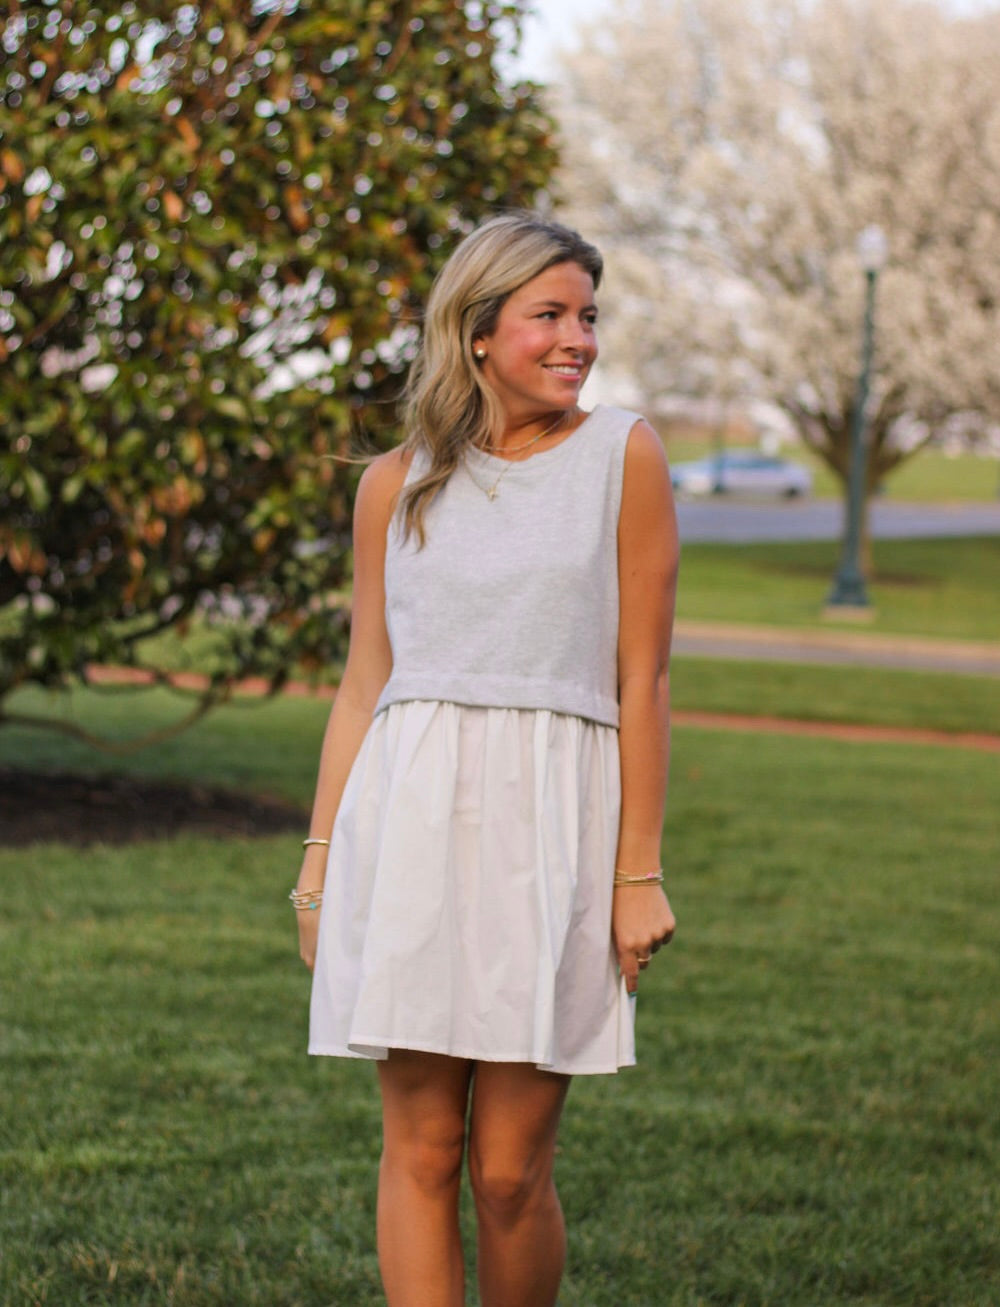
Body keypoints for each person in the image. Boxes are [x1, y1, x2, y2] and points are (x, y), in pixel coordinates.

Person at [291, 211, 679, 1307]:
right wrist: (319, 865)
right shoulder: (394, 481)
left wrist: (637, 870)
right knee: (420, 1151)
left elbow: (643, 678)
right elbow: (365, 682)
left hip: (551, 830)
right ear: (475, 329)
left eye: (588, 316)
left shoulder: (622, 456)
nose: (579, 339)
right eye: (549, 315)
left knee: (509, 1168)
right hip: (409, 825)